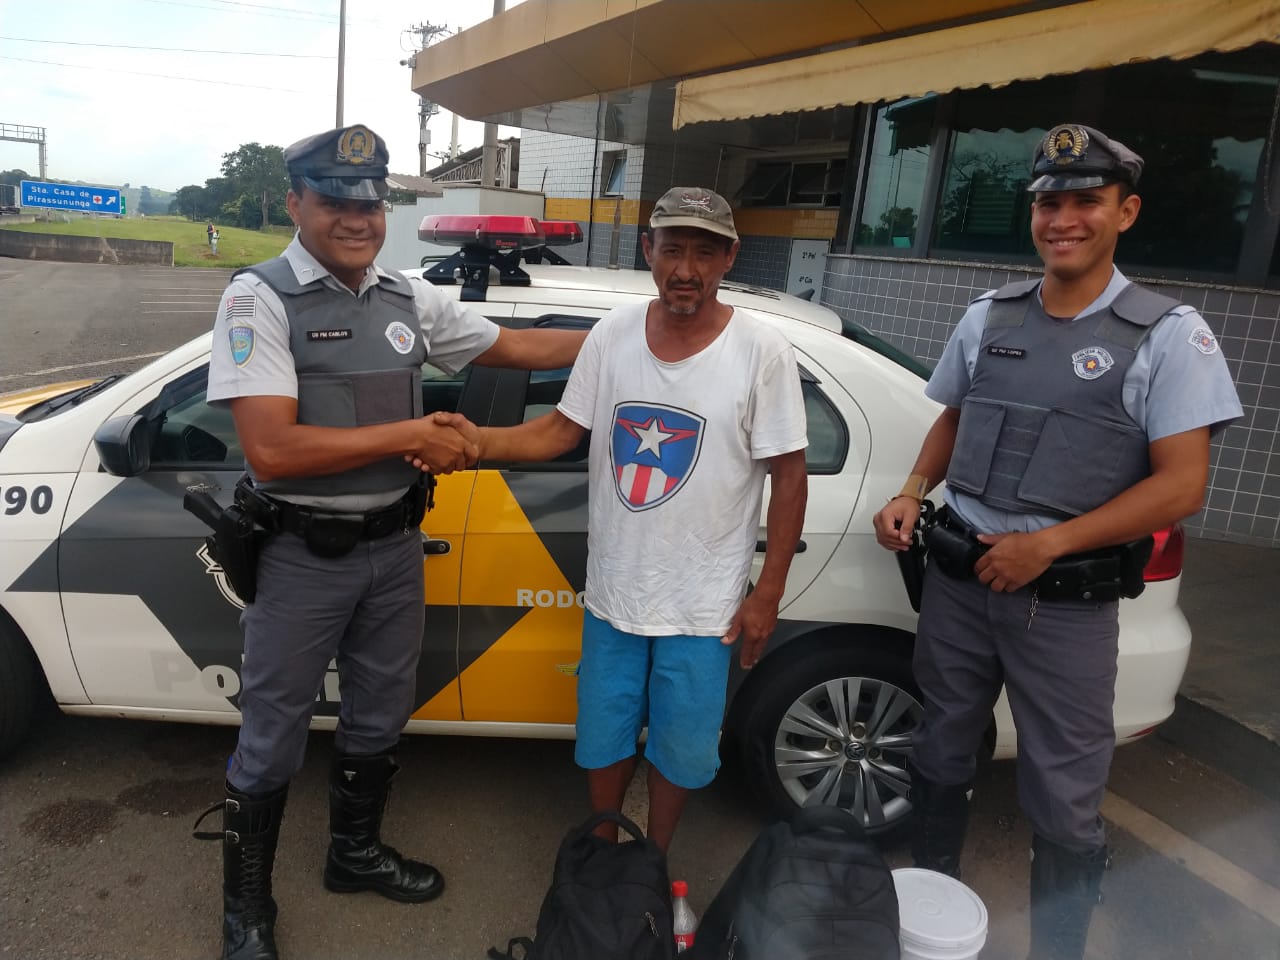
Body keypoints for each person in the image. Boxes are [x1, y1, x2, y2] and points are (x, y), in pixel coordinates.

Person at [198, 123, 586, 960]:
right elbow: (272, 449)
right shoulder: (258, 300)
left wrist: (644, 336)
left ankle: (355, 854)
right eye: (335, 201)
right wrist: (412, 432)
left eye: (370, 204)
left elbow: (519, 346)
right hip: (302, 555)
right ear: (295, 203)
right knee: (272, 733)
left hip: (396, 549)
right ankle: (246, 910)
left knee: (380, 712)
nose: (356, 219)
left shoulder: (406, 296)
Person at [873, 123, 1242, 960]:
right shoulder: (989, 316)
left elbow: (1181, 486)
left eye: (1086, 202)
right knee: (940, 743)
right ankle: (931, 921)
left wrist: (1049, 545)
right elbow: (956, 415)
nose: (1063, 219)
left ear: (1126, 212)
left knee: (1065, 788)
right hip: (960, 580)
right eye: (1048, 203)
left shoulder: (1168, 336)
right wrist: (910, 492)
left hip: (1064, 607)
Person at [435, 186, 809, 852]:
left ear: (730, 258)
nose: (686, 270)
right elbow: (558, 431)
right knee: (603, 733)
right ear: (648, 251)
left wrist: (769, 592)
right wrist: (476, 442)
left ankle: (653, 860)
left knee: (682, 746)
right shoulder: (612, 336)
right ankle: (603, 851)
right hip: (613, 595)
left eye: (704, 253)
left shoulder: (762, 352)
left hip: (705, 608)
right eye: (672, 250)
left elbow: (789, 475)